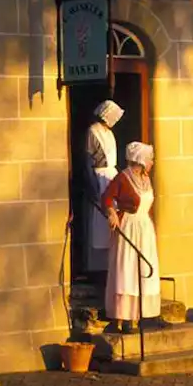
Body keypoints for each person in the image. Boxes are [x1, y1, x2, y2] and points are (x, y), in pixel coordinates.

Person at [102, 141, 160, 334]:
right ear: (141, 160)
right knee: (128, 269)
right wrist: (111, 213)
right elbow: (107, 197)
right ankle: (125, 318)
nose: (152, 162)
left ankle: (147, 315)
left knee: (145, 267)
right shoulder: (123, 178)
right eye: (150, 159)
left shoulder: (146, 178)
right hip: (129, 226)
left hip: (144, 227)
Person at [84, 100, 123, 281]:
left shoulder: (110, 133)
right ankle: (97, 269)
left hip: (111, 177)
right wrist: (93, 187)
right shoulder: (93, 131)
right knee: (99, 222)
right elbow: (88, 160)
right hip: (99, 178)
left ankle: (112, 265)